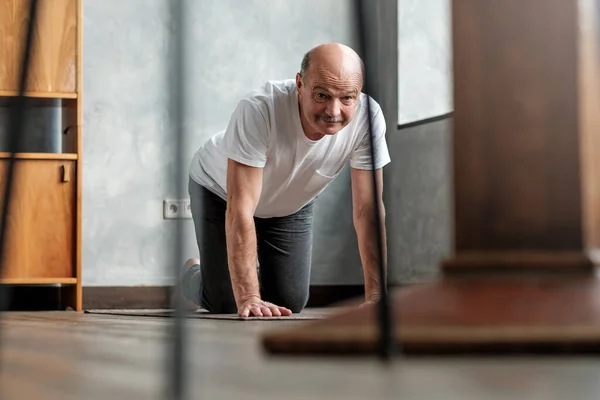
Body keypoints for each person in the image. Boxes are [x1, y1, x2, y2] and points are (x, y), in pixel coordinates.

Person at [177, 42, 391, 318]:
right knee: (227, 302)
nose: (334, 111)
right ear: (300, 84)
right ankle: (193, 275)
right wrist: (250, 297)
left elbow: (368, 210)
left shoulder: (368, 119)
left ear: (358, 93)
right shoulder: (259, 109)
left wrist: (376, 297)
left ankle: (235, 273)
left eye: (347, 98)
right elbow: (240, 208)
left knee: (290, 300)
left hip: (290, 203)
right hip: (219, 190)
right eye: (322, 94)